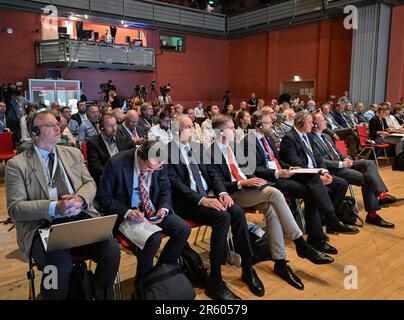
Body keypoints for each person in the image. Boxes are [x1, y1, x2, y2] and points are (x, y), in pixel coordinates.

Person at [5, 110, 120, 300]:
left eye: (57, 123)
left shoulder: (72, 153)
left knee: (111, 251)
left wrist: (80, 199)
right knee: (57, 266)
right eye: (50, 125)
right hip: (42, 226)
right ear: (35, 133)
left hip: (77, 218)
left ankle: (97, 294)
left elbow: (90, 183)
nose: (58, 128)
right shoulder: (18, 165)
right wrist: (54, 207)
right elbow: (15, 209)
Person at [210, 115, 333, 290]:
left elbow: (246, 170)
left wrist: (253, 180)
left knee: (272, 209)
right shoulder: (210, 151)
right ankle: (301, 244)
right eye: (231, 127)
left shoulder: (232, 147)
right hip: (234, 193)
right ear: (220, 131)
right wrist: (241, 183)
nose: (235, 130)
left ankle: (280, 262)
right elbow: (217, 183)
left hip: (248, 187)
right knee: (275, 193)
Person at [167, 115, 265, 300]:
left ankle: (247, 267)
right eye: (186, 126)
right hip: (188, 202)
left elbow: (213, 174)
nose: (191, 130)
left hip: (209, 195)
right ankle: (215, 280)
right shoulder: (168, 151)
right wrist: (203, 200)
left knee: (235, 211)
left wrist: (222, 193)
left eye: (192, 126)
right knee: (222, 217)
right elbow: (176, 185)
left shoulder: (196, 148)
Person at [96, 141, 190, 298]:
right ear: (140, 155)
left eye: (157, 168)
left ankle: (161, 272)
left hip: (152, 208)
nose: (152, 172)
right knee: (154, 238)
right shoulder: (116, 163)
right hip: (127, 212)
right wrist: (126, 212)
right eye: (149, 168)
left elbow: (165, 189)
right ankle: (143, 283)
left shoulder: (158, 162)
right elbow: (103, 198)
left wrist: (164, 208)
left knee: (182, 229)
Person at [310, 112, 397, 228]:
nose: (325, 121)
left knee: (369, 163)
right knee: (367, 179)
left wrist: (346, 158)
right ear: (314, 124)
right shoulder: (311, 139)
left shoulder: (326, 136)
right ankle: (372, 215)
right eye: (322, 120)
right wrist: (341, 163)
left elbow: (337, 152)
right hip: (334, 170)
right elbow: (319, 161)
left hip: (343, 164)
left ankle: (381, 193)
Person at [279, 111, 359, 235]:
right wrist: (316, 174)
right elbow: (295, 162)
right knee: (317, 185)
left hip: (315, 172)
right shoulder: (289, 138)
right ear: (300, 123)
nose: (312, 125)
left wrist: (324, 171)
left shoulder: (308, 136)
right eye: (310, 122)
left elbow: (318, 158)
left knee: (342, 183)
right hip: (300, 174)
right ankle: (332, 220)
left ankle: (328, 220)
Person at [87, 113, 134, 186]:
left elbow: (132, 158)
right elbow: (96, 168)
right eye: (110, 126)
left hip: (125, 177)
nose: (114, 128)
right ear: (101, 128)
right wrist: (115, 174)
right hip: (106, 179)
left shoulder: (123, 139)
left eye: (115, 125)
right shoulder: (93, 143)